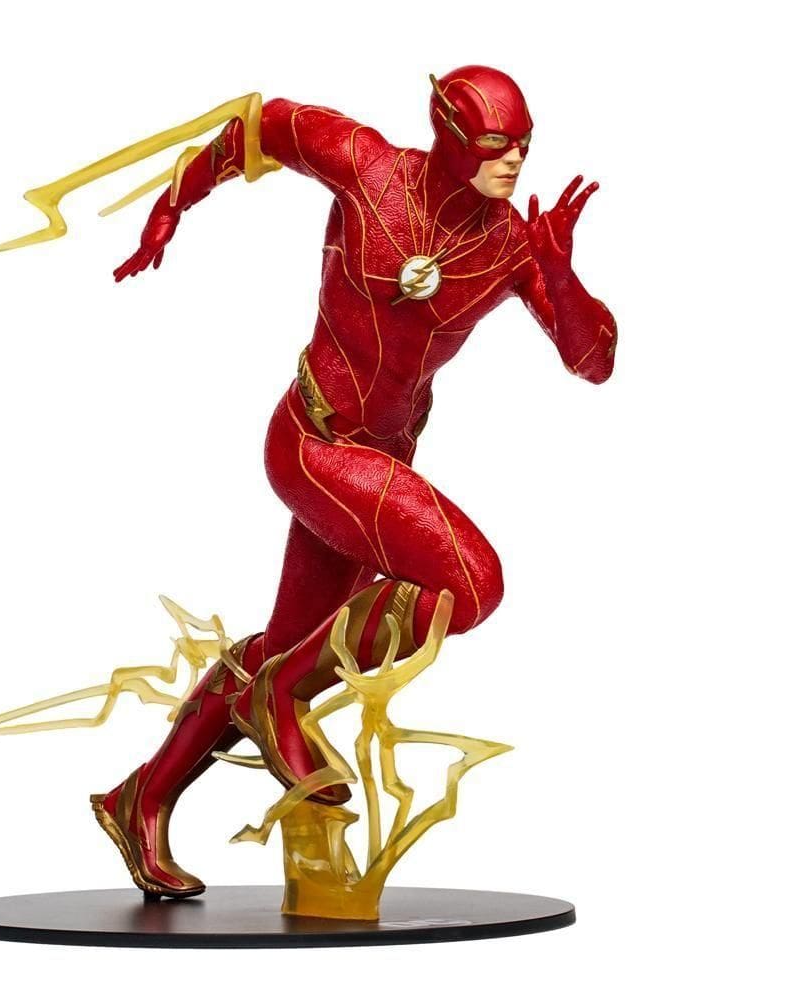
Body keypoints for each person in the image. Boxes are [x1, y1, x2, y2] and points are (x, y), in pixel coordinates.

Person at [90, 65, 618, 898]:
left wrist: (560, 274)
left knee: (285, 642)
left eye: (523, 144)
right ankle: (281, 696)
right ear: (447, 132)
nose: (514, 160)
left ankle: (141, 799)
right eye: (494, 143)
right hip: (315, 441)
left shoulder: (513, 244)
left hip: (382, 468)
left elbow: (594, 362)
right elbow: (260, 127)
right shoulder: (368, 166)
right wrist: (173, 204)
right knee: (470, 583)